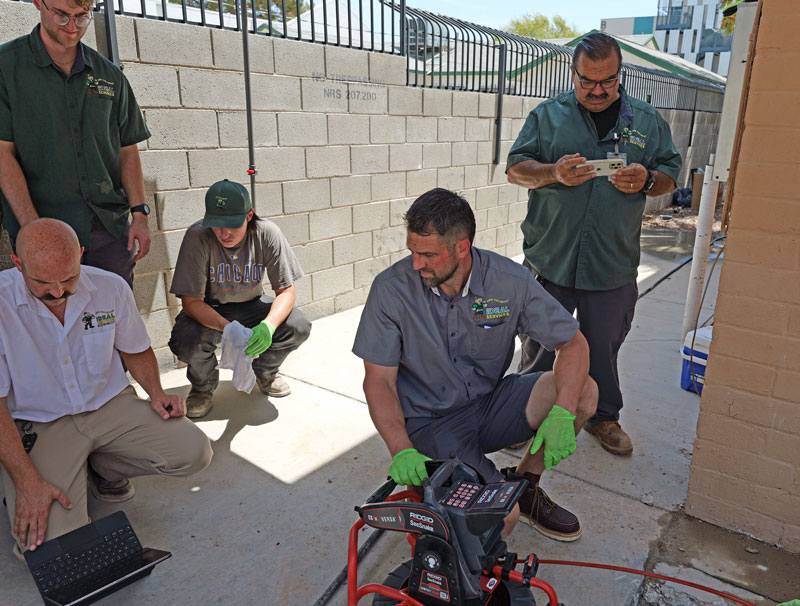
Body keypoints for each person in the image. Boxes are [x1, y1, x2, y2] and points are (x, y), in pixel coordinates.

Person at [352, 188, 598, 541]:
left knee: (585, 393)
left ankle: (526, 484)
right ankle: (487, 511)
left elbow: (573, 344)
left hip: (488, 404)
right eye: (412, 251)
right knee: (499, 517)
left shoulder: (509, 283)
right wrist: (400, 447)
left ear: (462, 248)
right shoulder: (391, 291)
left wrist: (562, 411)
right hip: (430, 423)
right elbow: (379, 382)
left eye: (428, 254)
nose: (416, 263)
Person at [506, 32, 682, 457]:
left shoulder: (647, 120)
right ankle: (523, 416)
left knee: (602, 347)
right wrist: (552, 172)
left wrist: (648, 181)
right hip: (552, 260)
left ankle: (602, 417)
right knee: (539, 349)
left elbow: (670, 174)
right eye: (588, 81)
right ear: (574, 74)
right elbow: (515, 170)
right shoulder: (547, 117)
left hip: (612, 263)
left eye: (608, 80)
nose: (599, 90)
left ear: (620, 74)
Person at [0, 219, 212, 555]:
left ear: (81, 255)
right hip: (41, 423)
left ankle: (100, 467)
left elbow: (135, 349)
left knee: (194, 452)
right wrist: (27, 481)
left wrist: (156, 392)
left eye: (69, 278)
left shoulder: (110, 287)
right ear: (18, 263)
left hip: (110, 405)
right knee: (49, 549)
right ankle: (30, 475)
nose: (57, 292)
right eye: (42, 282)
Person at [0, 0, 152, 286]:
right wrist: (33, 229)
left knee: (112, 323)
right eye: (61, 16)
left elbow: (127, 152)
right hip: (44, 224)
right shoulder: (7, 67)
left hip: (108, 228)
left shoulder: (110, 76)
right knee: (51, 325)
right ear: (38, 3)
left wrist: (140, 214)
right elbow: (2, 155)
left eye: (82, 17)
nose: (72, 27)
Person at [168, 179, 311, 419]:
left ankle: (265, 373)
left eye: (232, 225)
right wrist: (227, 328)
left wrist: (268, 325)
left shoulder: (267, 233)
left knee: (298, 325)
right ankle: (202, 388)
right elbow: (191, 302)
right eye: (217, 225)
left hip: (253, 305)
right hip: (210, 308)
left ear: (249, 215)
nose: (224, 234)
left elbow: (287, 291)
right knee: (185, 340)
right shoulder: (198, 236)